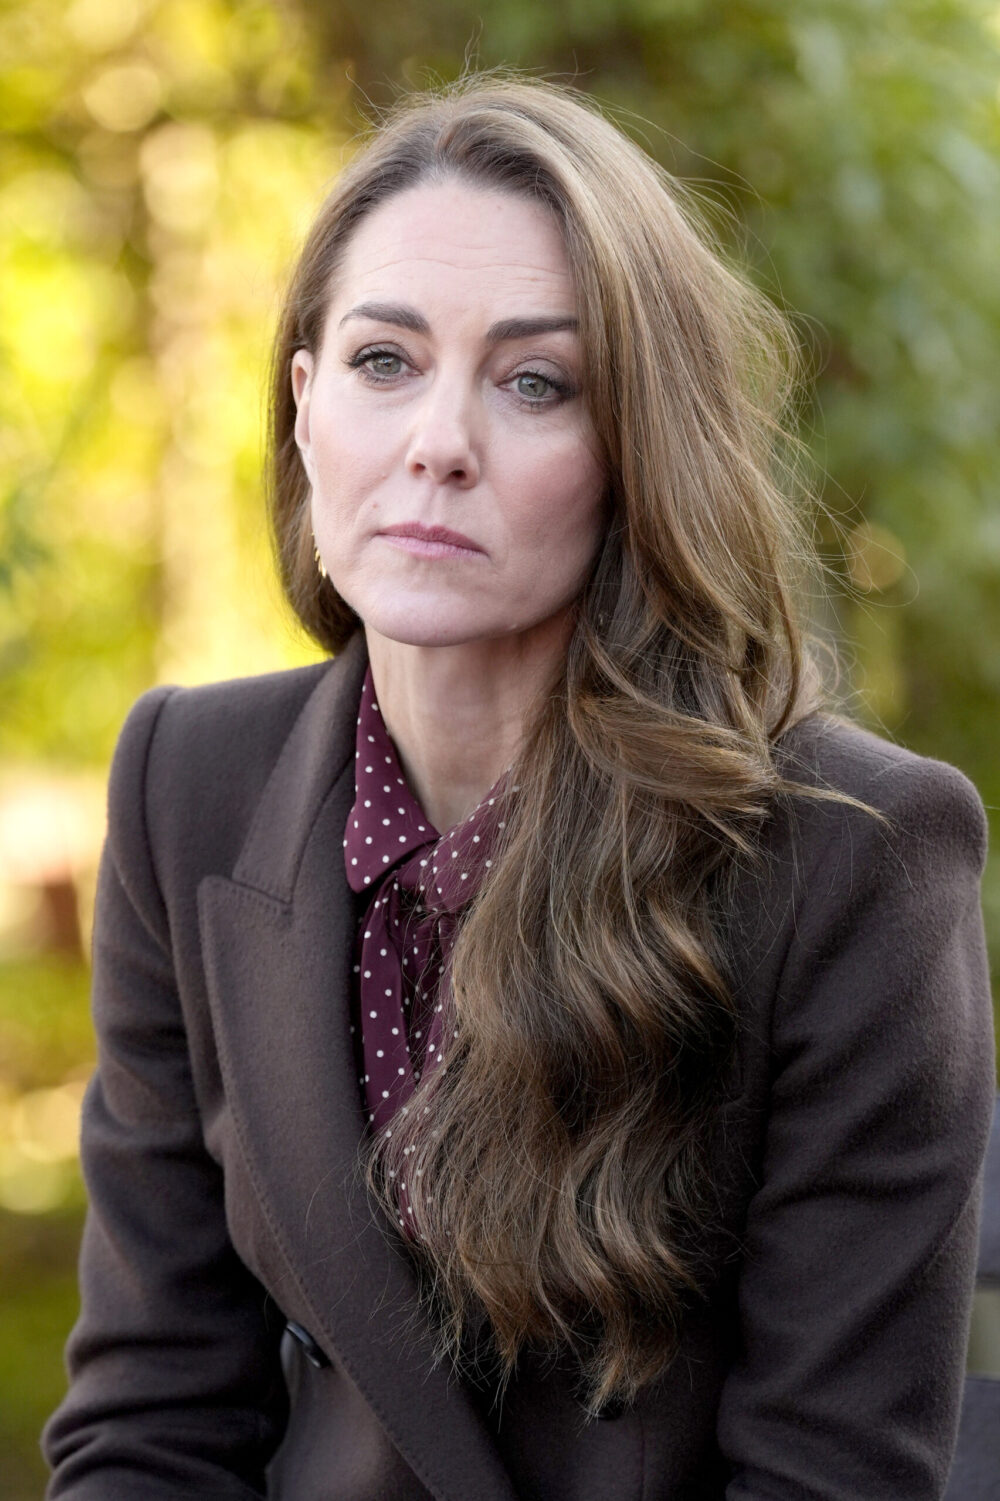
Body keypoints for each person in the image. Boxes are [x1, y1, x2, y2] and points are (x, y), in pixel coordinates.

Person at [43, 74, 994, 1501]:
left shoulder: (855, 855)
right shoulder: (190, 784)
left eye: (535, 381)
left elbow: (831, 1472)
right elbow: (151, 1415)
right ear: (305, 404)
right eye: (383, 361)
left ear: (634, 452)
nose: (438, 440)